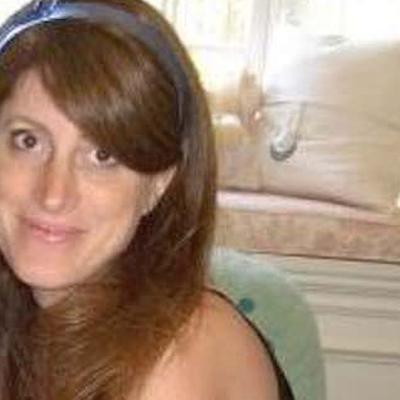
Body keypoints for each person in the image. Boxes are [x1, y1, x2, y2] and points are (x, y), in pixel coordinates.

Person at [0, 1, 286, 399]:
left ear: (158, 185)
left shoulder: (174, 356)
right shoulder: (24, 317)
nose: (53, 194)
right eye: (28, 140)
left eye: (102, 155)